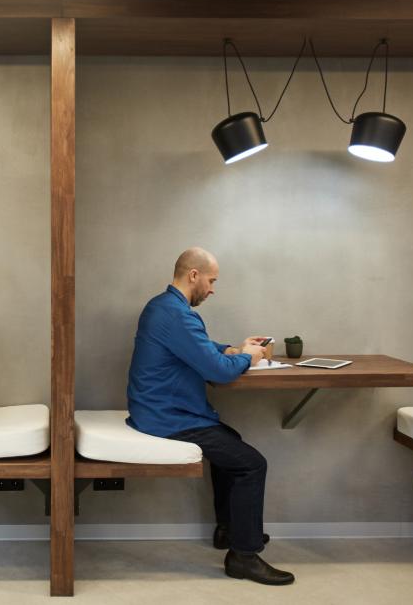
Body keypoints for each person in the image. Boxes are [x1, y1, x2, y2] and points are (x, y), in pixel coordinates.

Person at [126, 247, 295, 586]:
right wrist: (247, 358)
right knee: (252, 463)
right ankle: (244, 557)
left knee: (229, 445)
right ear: (193, 276)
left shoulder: (162, 306)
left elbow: (198, 346)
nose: (213, 288)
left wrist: (232, 349)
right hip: (167, 416)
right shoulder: (178, 314)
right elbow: (219, 373)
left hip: (153, 409)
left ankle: (228, 531)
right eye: (212, 280)